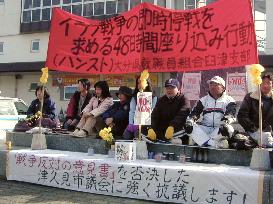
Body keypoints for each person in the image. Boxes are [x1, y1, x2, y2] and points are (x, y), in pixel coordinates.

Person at [185, 76, 236, 148]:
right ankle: (214, 144)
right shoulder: (203, 100)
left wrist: (226, 121)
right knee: (188, 127)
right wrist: (190, 121)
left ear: (223, 88)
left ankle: (202, 141)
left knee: (229, 129)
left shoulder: (229, 100)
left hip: (218, 129)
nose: (212, 87)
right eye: (211, 84)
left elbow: (230, 114)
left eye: (216, 85)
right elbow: (195, 113)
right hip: (205, 128)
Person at [237, 74, 273, 147]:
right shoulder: (251, 97)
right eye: (263, 83)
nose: (265, 85)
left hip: (269, 134)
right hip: (253, 132)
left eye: (268, 83)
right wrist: (254, 129)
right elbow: (241, 116)